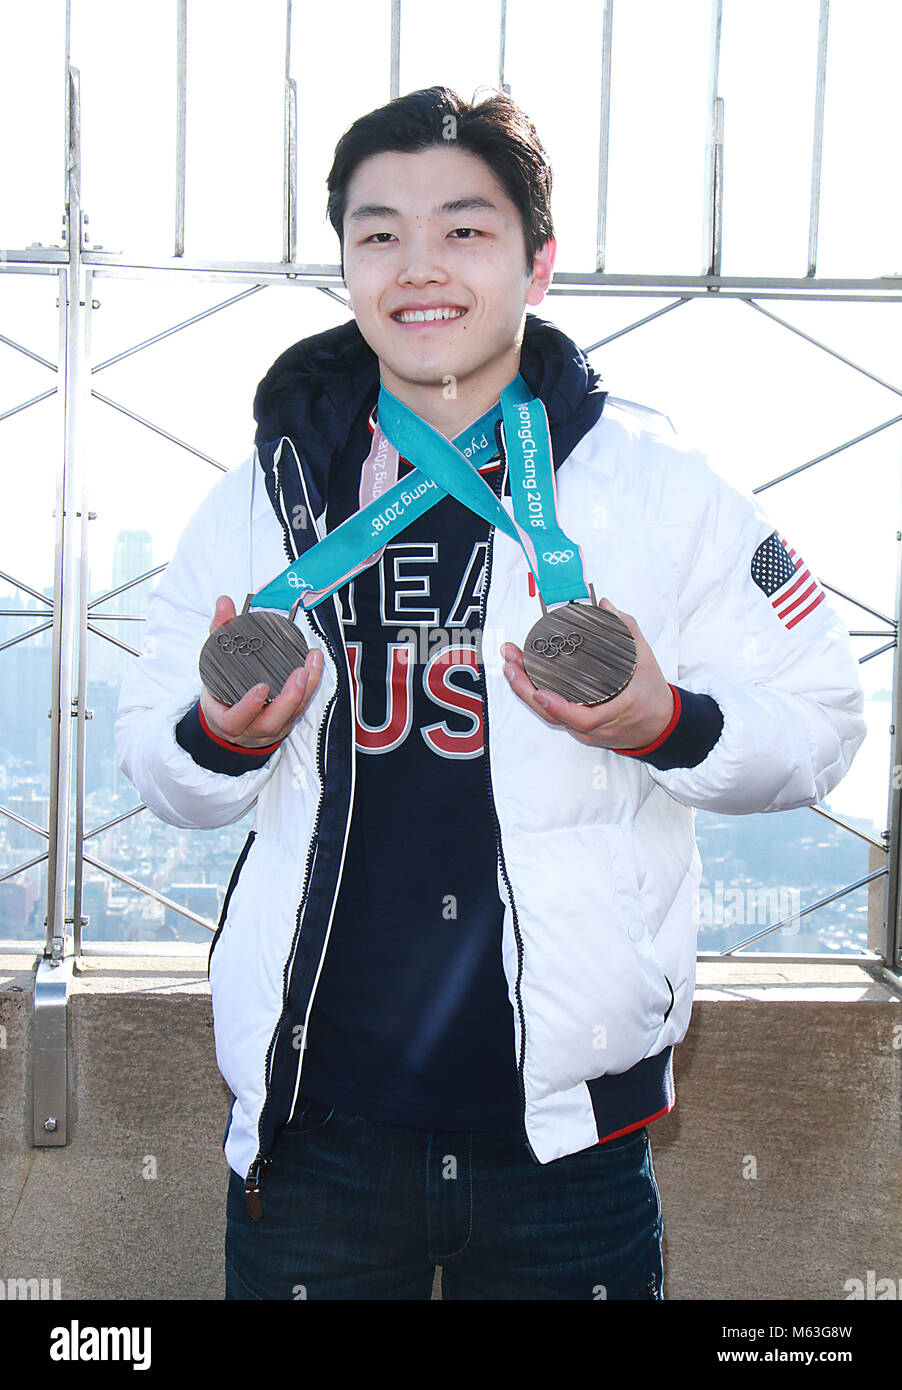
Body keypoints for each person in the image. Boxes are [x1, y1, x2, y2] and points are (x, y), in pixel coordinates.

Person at [115, 86, 867, 1301]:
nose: (419, 267)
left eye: (464, 229)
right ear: (346, 262)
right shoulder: (261, 498)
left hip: (567, 1135)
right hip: (315, 1126)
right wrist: (215, 737)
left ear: (537, 261)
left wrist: (666, 723)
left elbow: (823, 722)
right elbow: (152, 761)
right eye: (378, 233)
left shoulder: (661, 493)